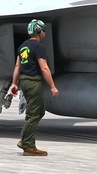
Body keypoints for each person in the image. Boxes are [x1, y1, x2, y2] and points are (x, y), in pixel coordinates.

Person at [10, 19, 60, 156]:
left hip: (25, 81)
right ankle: (28, 145)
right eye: (43, 30)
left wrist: (14, 83)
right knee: (33, 114)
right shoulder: (39, 48)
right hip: (33, 82)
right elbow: (44, 68)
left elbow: (17, 67)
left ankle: (25, 139)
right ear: (38, 31)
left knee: (40, 111)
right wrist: (53, 86)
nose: (44, 32)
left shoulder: (23, 47)